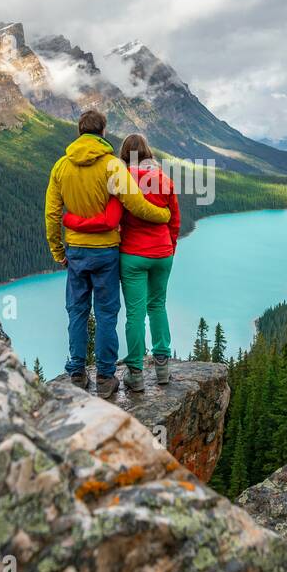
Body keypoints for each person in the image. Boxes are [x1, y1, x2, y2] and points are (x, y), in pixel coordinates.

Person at [44, 111, 171, 397]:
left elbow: (52, 213)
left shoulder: (61, 167)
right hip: (106, 253)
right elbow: (136, 205)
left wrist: (57, 250)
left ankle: (77, 372)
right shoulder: (113, 166)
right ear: (103, 131)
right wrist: (162, 214)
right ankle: (104, 378)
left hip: (76, 252)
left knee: (76, 311)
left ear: (79, 131)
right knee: (106, 314)